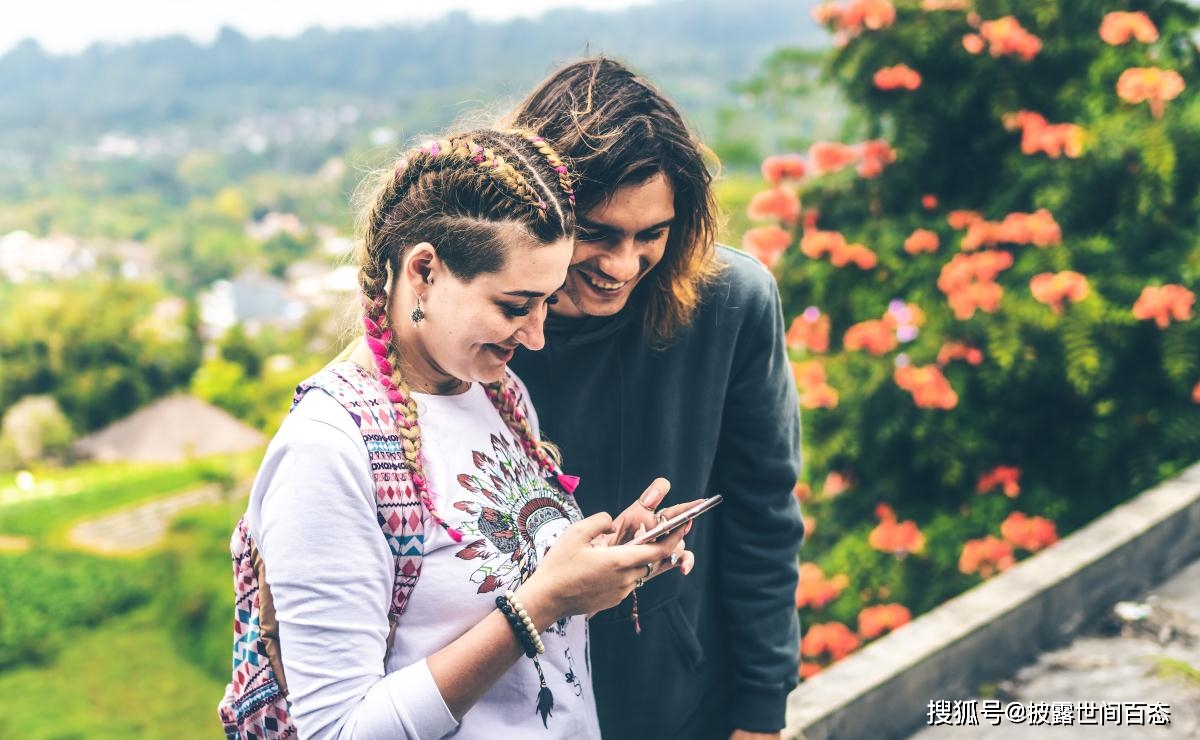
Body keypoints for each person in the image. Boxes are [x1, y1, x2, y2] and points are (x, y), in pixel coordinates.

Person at [219, 129, 695, 740]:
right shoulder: (330, 449)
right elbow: (337, 732)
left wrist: (602, 569)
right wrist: (541, 604)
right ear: (424, 272)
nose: (536, 335)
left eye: (548, 301)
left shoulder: (495, 389)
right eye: (515, 304)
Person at [506, 58, 805, 740]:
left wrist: (763, 712)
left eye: (652, 235)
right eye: (598, 232)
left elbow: (764, 514)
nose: (622, 266)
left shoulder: (730, 302)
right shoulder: (482, 330)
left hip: (680, 703)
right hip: (513, 706)